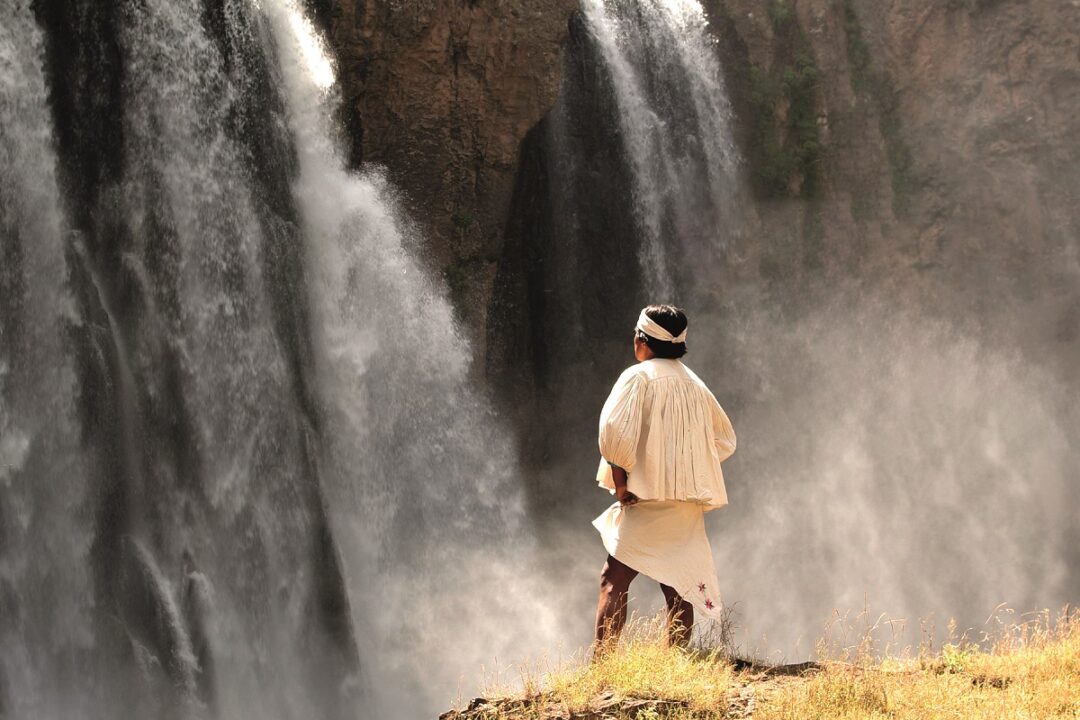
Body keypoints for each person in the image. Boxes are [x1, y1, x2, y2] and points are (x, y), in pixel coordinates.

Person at [592, 305, 737, 651]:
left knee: (614, 579)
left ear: (642, 340)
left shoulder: (638, 376)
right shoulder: (695, 383)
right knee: (678, 583)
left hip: (645, 498)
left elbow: (614, 431)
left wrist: (623, 482)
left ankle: (602, 662)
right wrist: (686, 470)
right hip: (684, 500)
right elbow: (724, 439)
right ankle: (676, 660)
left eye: (635, 336)